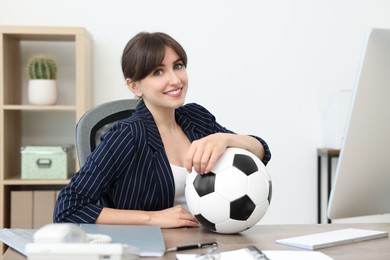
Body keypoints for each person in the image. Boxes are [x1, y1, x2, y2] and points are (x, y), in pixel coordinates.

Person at [54, 32, 271, 228]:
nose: (175, 80)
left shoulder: (196, 117)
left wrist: (224, 139)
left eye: (178, 66)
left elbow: (261, 152)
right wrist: (154, 218)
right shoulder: (126, 136)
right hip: (153, 248)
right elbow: (67, 208)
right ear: (134, 86)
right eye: (158, 72)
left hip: (208, 243)